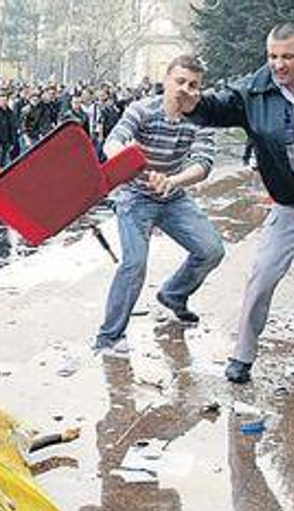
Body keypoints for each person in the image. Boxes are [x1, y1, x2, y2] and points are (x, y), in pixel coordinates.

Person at [93, 54, 223, 357]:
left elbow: (204, 163)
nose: (185, 90)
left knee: (211, 250)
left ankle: (173, 295)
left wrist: (173, 182)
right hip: (134, 196)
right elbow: (112, 143)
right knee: (134, 263)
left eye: (193, 85)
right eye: (179, 81)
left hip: (173, 196)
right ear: (165, 80)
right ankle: (108, 337)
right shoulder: (142, 109)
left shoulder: (200, 117)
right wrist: (129, 160)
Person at [187, 23, 294, 383]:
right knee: (261, 278)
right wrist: (192, 104)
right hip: (288, 206)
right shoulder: (255, 90)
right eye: (273, 57)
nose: (279, 65)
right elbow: (216, 107)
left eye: (288, 57)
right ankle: (242, 356)